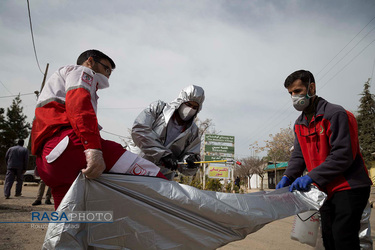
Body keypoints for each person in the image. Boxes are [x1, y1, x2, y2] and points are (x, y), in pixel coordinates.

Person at [31, 49, 166, 210]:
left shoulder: (58, 82)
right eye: (106, 68)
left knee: (68, 218)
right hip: (70, 144)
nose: (108, 74)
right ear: (90, 61)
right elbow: (79, 108)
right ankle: (187, 212)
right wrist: (93, 148)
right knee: (153, 175)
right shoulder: (82, 71)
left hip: (48, 158)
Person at [276, 70, 372, 250]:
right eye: (291, 93)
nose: (294, 97)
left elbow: (343, 155)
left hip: (348, 187)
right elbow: (299, 155)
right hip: (325, 190)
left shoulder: (335, 114)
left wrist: (311, 177)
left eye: (297, 91)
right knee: (328, 239)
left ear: (311, 87)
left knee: (343, 238)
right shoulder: (299, 123)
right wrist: (288, 176)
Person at [128, 85, 205, 180]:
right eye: (188, 104)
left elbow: (187, 166)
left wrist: (190, 163)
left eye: (194, 107)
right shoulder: (158, 109)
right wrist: (164, 154)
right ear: (181, 101)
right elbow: (139, 130)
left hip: (161, 177)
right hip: (134, 165)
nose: (190, 110)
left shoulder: (193, 131)